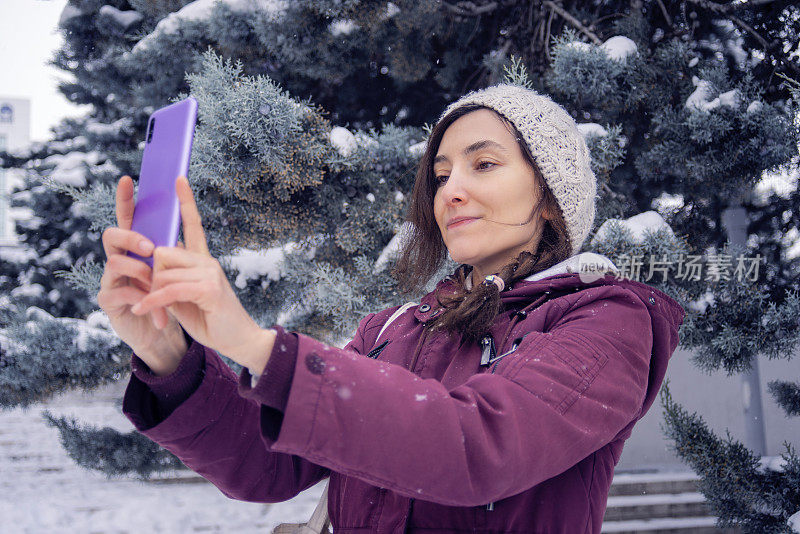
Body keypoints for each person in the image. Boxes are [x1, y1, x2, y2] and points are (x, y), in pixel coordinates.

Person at [99, 83, 686, 533]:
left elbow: (478, 446)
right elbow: (265, 463)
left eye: (484, 164)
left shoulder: (607, 319)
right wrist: (167, 353)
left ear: (552, 199)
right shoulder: (392, 330)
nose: (450, 189)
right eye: (440, 173)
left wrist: (257, 347)